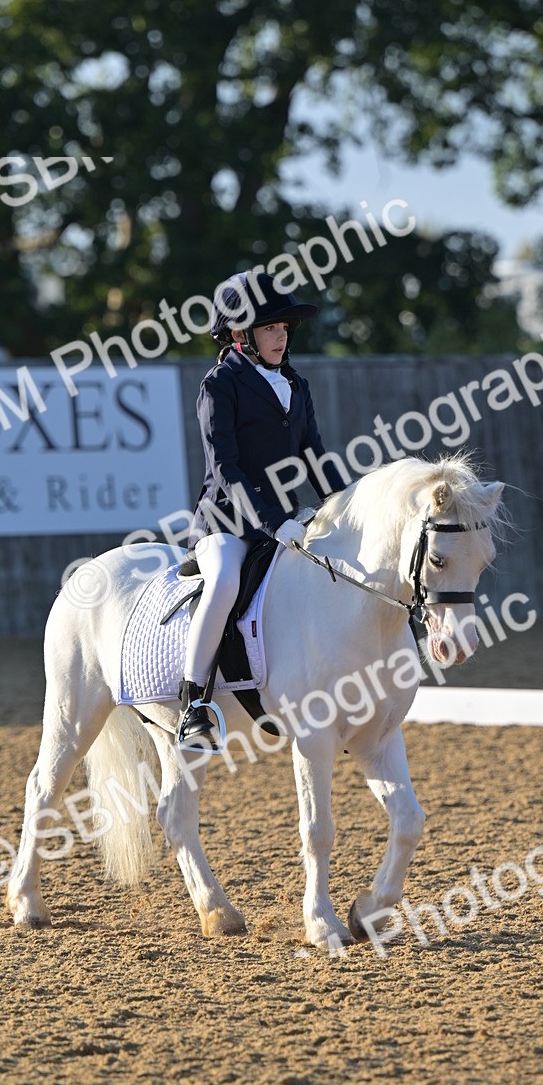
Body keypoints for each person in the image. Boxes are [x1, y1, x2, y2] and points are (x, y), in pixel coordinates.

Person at [177, 271, 348, 750]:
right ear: (239, 335)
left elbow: (316, 455)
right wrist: (273, 524)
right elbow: (226, 468)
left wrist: (345, 507)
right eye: (270, 327)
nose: (282, 335)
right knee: (226, 582)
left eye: (284, 327)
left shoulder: (296, 383)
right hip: (227, 524)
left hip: (287, 521)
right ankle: (194, 703)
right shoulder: (219, 387)